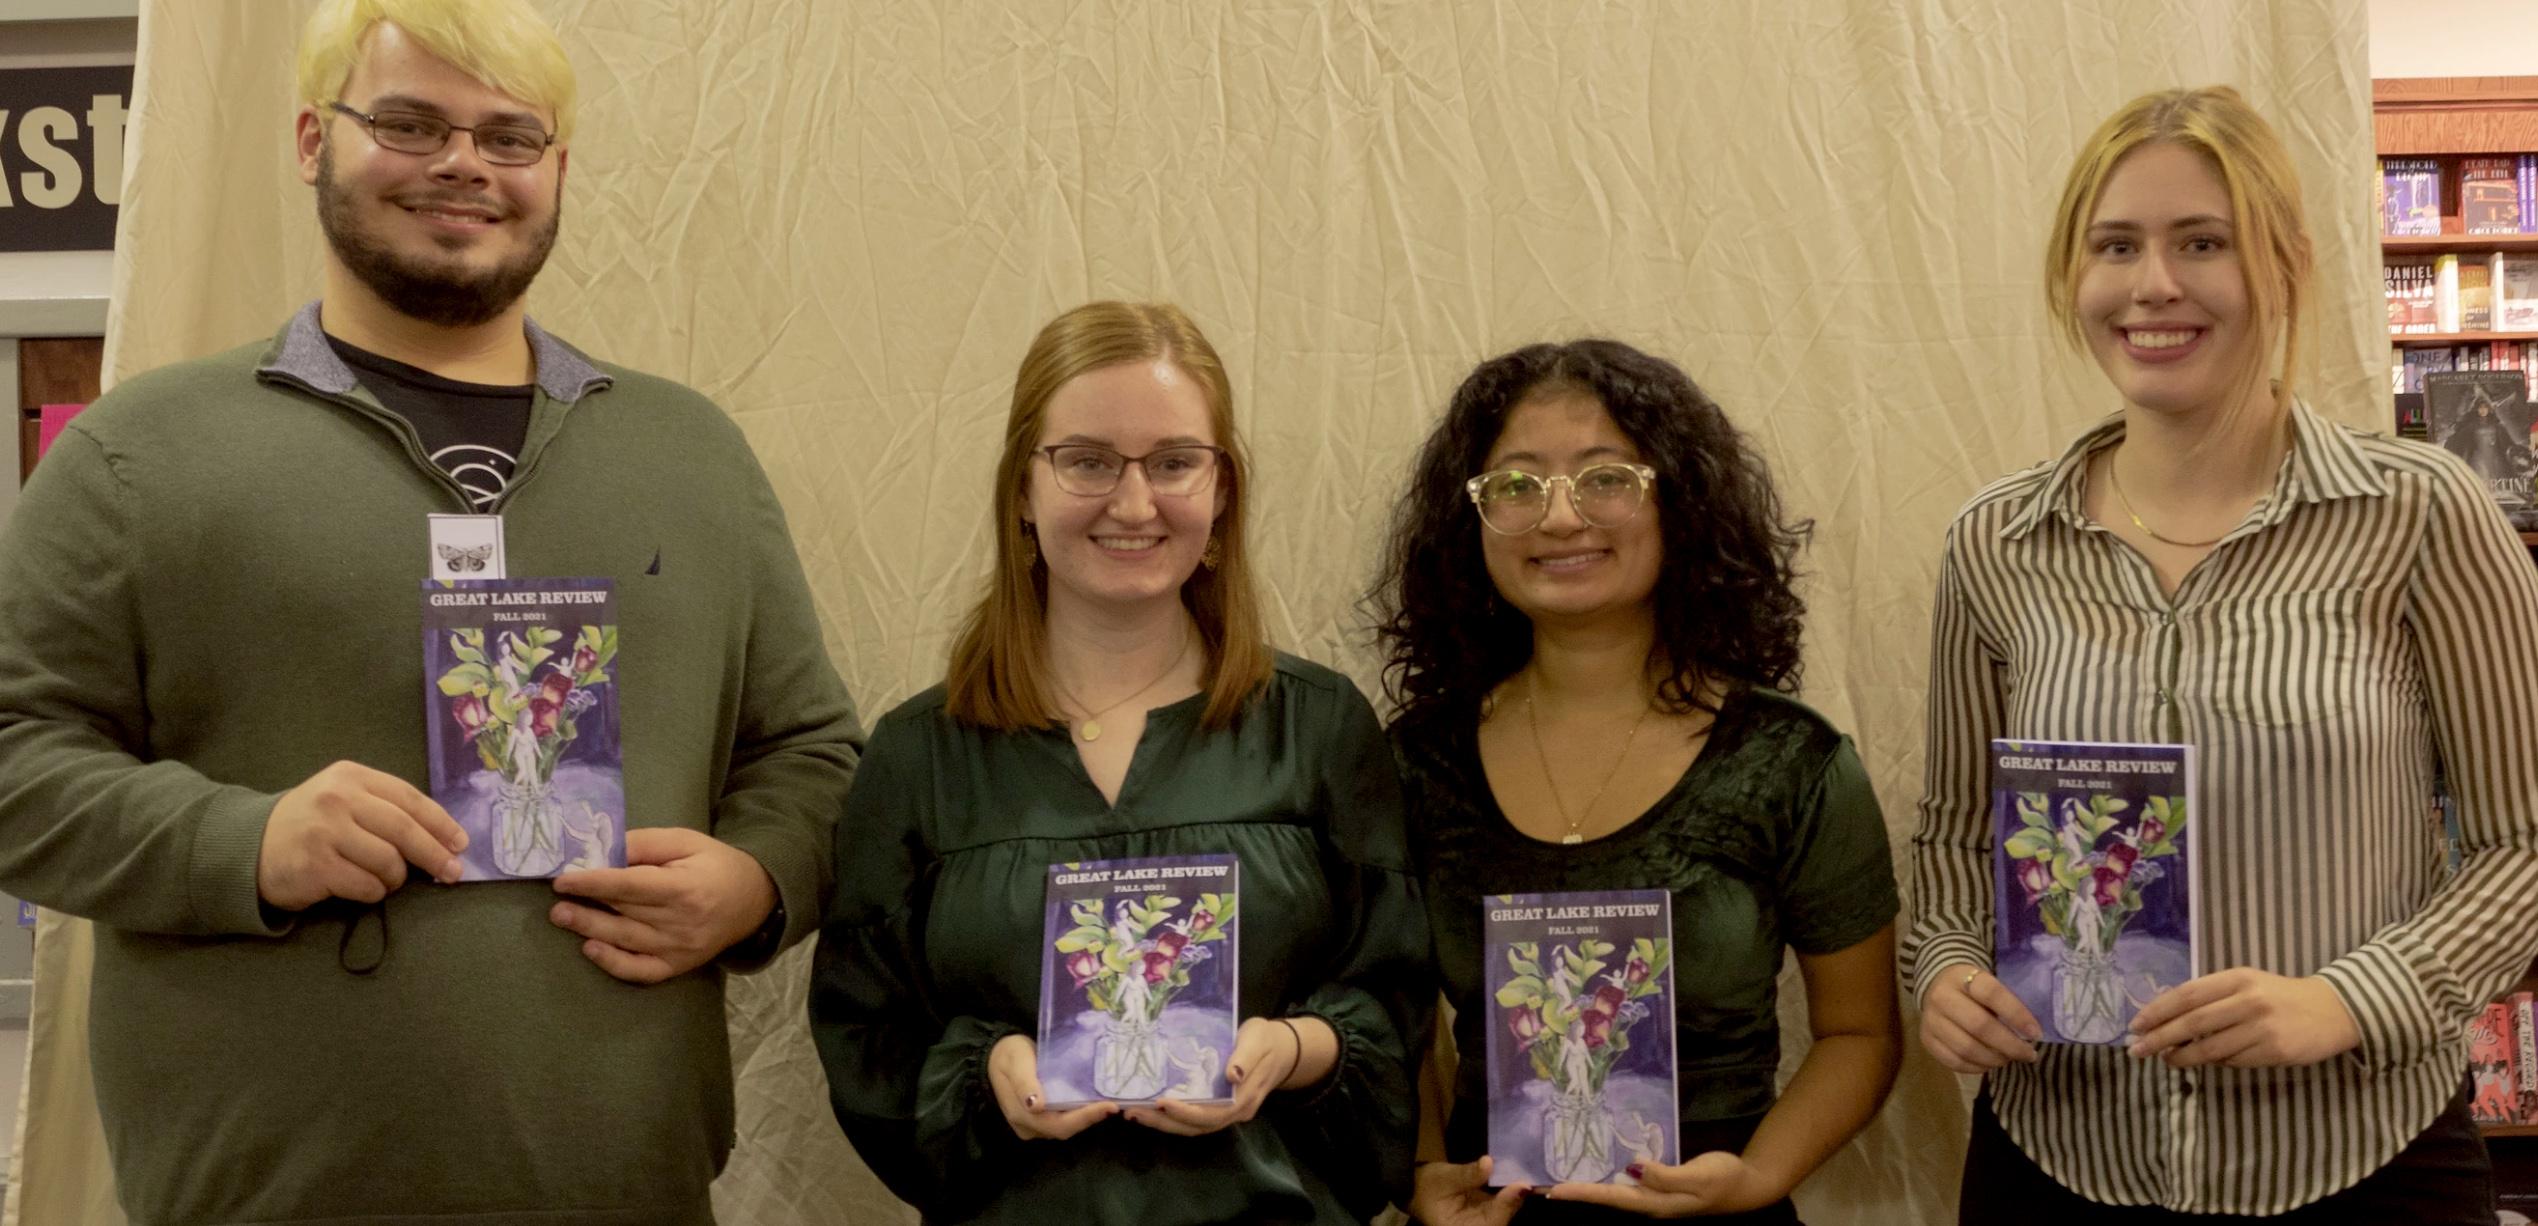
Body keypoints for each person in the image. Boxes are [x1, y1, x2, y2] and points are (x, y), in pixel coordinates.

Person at [0, 2, 861, 1222]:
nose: (464, 164)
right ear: (312, 139)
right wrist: (242, 841)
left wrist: (759, 880)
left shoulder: (691, 457)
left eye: (512, 136)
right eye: (409, 123)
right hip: (265, 1195)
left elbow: (814, 753)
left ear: (558, 168)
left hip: (627, 1186)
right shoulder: (141, 452)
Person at [1903, 85, 2538, 1223]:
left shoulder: (2420, 512)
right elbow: (1955, 831)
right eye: (2116, 246)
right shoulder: (1995, 542)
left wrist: (2350, 999)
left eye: (2203, 242)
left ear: (2285, 268)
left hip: (2359, 1157)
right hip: (2060, 1159)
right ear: (2072, 278)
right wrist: (1946, 967)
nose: (2154, 283)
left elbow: (2522, 844)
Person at [809, 301, 1426, 1224]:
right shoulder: (920, 755)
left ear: (1223, 493)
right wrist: (987, 1075)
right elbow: (865, 1035)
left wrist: (1295, 1049)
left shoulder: (1321, 729)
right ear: (1024, 488)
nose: (1133, 503)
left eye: (1175, 462)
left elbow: (1402, 1002)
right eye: (1088, 460)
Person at [1375, 340, 1902, 1224]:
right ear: (1471, 523)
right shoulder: (1416, 760)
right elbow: (1397, 1018)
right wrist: (1427, 1165)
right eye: (1517, 486)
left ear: (1680, 503)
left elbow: (1861, 1033)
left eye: (1604, 478)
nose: (1559, 517)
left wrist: (1759, 1176)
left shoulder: (1787, 759)